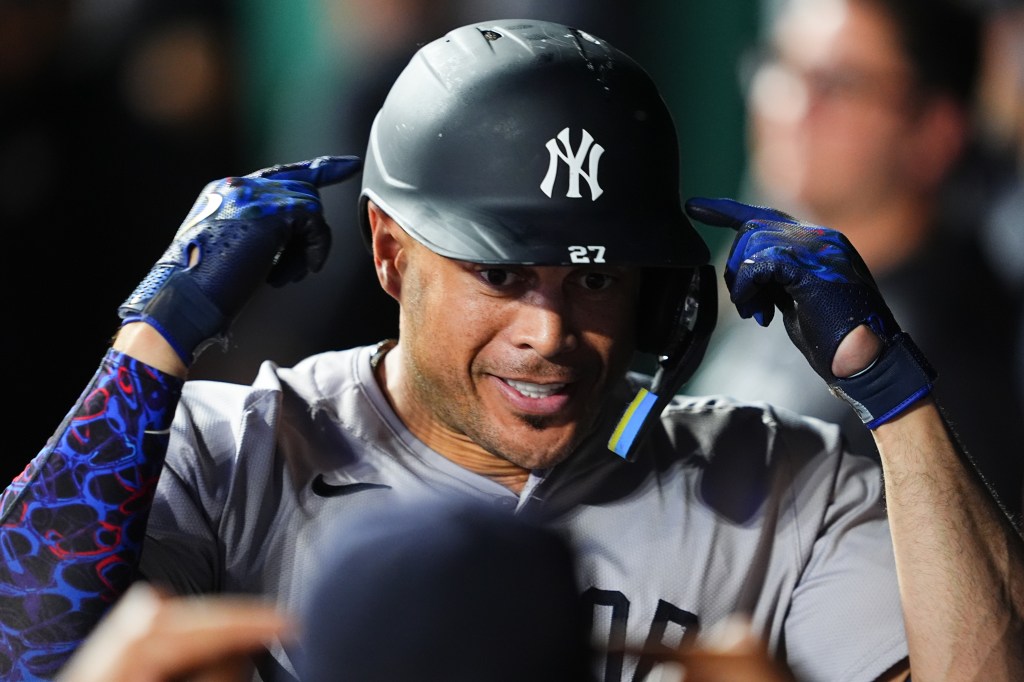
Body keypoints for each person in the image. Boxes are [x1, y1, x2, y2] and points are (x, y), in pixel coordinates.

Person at [0, 17, 1021, 682]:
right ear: (390, 253)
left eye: (596, 277)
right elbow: (20, 642)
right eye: (501, 275)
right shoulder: (232, 449)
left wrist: (892, 393)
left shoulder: (785, 480)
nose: (550, 333)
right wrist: (152, 339)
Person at [688, 0, 1024, 518]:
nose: (792, 107)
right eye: (781, 65)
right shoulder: (777, 265)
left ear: (934, 133)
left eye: (841, 84)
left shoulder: (954, 355)